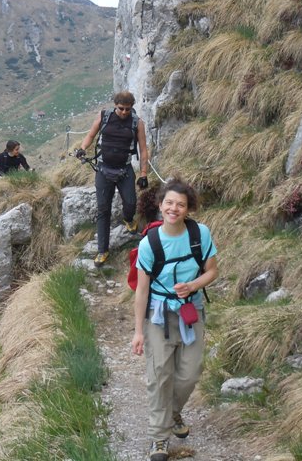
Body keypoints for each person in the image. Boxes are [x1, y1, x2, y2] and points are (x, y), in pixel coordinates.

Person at [131, 178, 218, 461]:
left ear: (188, 208)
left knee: (190, 373)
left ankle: (174, 412)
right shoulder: (149, 244)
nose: (174, 208)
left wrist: (193, 286)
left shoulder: (200, 234)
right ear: (160, 205)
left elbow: (211, 271)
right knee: (159, 375)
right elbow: (141, 290)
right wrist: (138, 332)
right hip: (158, 316)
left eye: (180, 204)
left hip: (191, 311)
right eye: (169, 203)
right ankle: (159, 438)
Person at [75, 91, 149, 267]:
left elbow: (144, 149)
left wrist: (144, 173)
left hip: (125, 170)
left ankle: (128, 218)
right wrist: (83, 148)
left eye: (128, 109)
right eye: (121, 108)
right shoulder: (104, 116)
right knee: (103, 209)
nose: (124, 112)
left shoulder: (137, 123)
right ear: (115, 105)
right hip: (103, 170)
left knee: (131, 202)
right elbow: (91, 135)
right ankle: (102, 250)